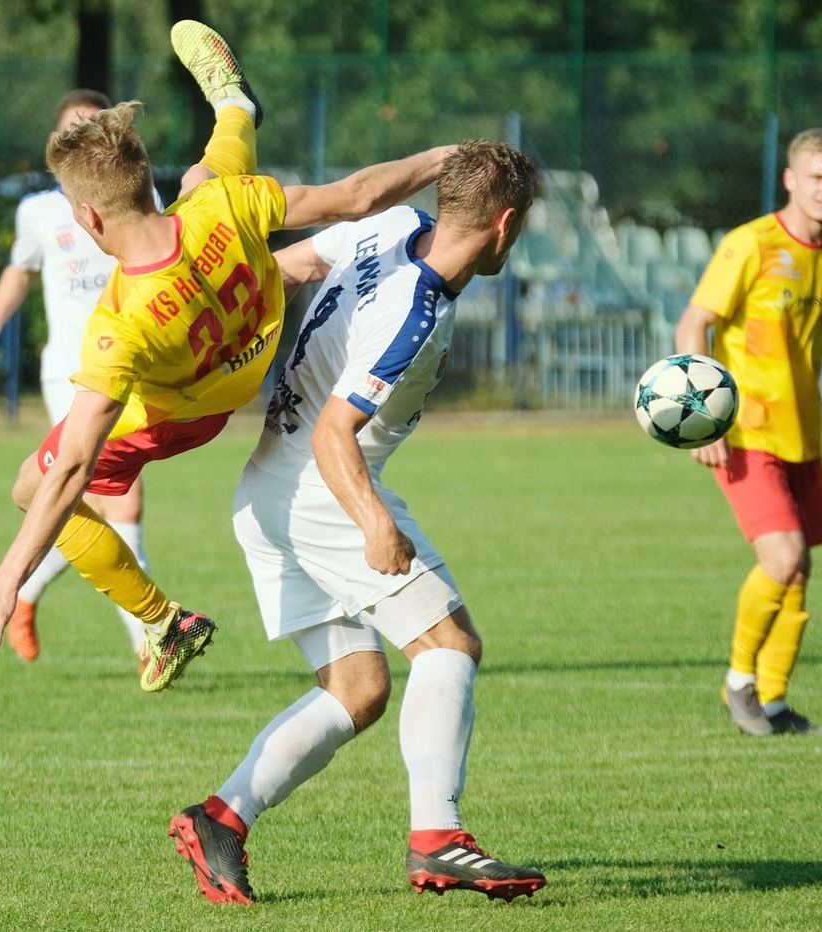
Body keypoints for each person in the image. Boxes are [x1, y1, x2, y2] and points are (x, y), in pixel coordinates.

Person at [0, 20, 454, 695]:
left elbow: (70, 471)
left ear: (89, 219)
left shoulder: (120, 324)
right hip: (250, 357)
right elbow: (358, 196)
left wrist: (4, 584)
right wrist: (449, 155)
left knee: (31, 487)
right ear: (144, 180)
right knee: (211, 169)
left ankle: (162, 622)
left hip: (183, 408)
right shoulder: (220, 202)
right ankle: (235, 105)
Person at [166, 140, 547, 905]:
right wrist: (375, 522)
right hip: (320, 489)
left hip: (267, 489)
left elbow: (279, 267)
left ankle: (220, 818)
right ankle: (438, 838)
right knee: (449, 644)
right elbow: (334, 434)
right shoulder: (418, 311)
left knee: (357, 687)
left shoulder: (383, 228)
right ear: (505, 225)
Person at [674, 127, 822, 737]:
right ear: (790, 179)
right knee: (783, 555)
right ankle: (739, 682)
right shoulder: (751, 246)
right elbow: (694, 324)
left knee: (800, 570)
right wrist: (703, 415)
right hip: (747, 431)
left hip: (805, 433)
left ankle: (773, 702)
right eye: (817, 177)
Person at [0, 89, 163, 668]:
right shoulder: (38, 211)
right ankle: (151, 642)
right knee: (117, 500)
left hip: (133, 365)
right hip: (72, 372)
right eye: (71, 128)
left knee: (89, 501)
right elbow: (19, 269)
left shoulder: (140, 197)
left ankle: (24, 593)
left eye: (93, 126)